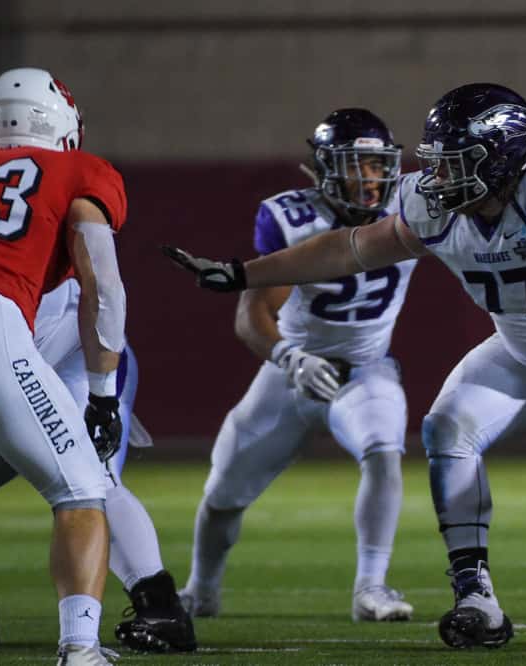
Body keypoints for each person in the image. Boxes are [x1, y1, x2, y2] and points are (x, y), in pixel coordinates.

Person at [164, 83, 526, 650]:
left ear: (502, 158)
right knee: (448, 428)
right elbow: (350, 247)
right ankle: (475, 596)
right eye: (437, 163)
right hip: (519, 349)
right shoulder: (433, 203)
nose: (438, 178)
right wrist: (245, 274)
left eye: (456, 163)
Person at [0, 85, 196, 656]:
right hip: (1, 350)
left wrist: (98, 390)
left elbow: (87, 308)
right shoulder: (70, 173)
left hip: (62, 354)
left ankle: (158, 601)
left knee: (93, 476)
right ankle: (12, 627)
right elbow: (105, 286)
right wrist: (103, 396)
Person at [178, 108, 416, 623]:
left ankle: (371, 588)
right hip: (291, 372)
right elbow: (254, 314)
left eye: (377, 166)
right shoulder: (291, 216)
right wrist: (290, 356)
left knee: (383, 452)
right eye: (357, 166)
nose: (370, 179)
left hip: (365, 369)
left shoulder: (413, 205)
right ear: (327, 168)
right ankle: (200, 589)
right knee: (222, 495)